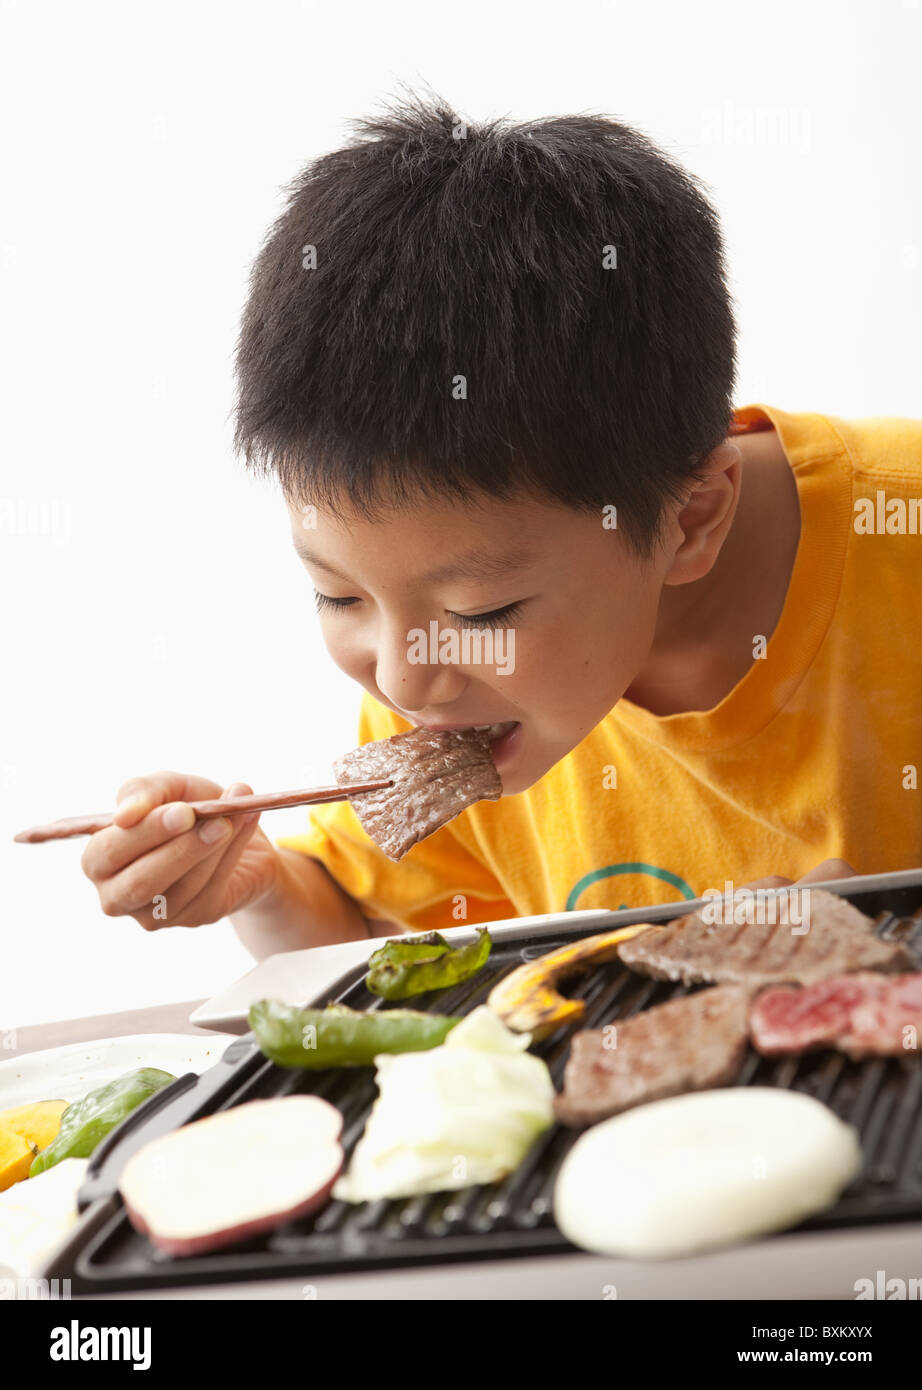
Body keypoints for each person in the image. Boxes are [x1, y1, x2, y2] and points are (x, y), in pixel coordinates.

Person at [81, 95, 921, 958]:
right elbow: (383, 936)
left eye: (482, 613)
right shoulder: (441, 669)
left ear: (693, 515)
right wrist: (255, 885)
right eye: (337, 595)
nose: (404, 684)